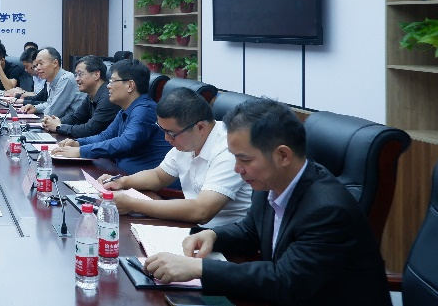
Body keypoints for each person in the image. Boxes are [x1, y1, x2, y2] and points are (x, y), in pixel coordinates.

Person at [143, 99, 391, 306]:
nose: (237, 169)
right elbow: (250, 230)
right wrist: (213, 235)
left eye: (245, 160)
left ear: (283, 155)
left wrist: (199, 268)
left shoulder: (328, 210)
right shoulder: (268, 182)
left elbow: (286, 280)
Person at [97, 87, 251, 227]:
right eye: (163, 130)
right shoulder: (188, 140)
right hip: (190, 227)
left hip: (223, 238)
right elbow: (158, 176)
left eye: (171, 133)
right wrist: (122, 181)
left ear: (200, 127)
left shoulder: (229, 149)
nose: (166, 139)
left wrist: (132, 204)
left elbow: (202, 211)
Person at [52, 59, 171, 174]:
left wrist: (80, 151)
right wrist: (78, 143)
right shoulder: (126, 108)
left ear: (130, 85)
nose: (108, 86)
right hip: (121, 173)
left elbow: (125, 143)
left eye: (113, 81)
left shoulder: (145, 110)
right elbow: (105, 136)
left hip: (142, 183)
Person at [42, 56, 120, 138]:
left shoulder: (108, 97)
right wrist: (54, 122)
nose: (76, 79)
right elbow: (76, 118)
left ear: (96, 75)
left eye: (80, 74)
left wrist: (58, 127)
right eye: (76, 75)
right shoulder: (91, 95)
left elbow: (89, 130)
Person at [21, 47, 83, 117]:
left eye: (41, 63)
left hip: (74, 122)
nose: (37, 68)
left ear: (55, 63)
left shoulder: (66, 79)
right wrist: (35, 108)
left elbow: (53, 112)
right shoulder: (50, 81)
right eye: (37, 64)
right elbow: (49, 104)